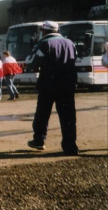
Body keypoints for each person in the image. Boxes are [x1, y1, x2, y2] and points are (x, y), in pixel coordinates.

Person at [27, 21, 79, 156]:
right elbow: (75, 58)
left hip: (48, 84)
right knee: (68, 116)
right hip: (67, 84)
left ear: (44, 31)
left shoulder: (44, 43)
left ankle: (39, 140)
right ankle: (70, 146)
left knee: (43, 113)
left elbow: (34, 63)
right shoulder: (70, 43)